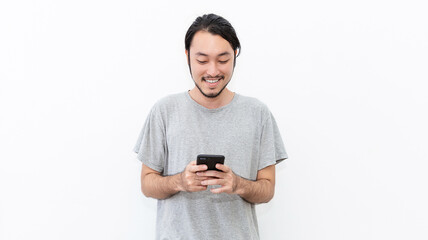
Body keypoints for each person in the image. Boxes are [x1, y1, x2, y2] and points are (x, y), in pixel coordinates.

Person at [133, 13, 288, 240]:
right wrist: (180, 181)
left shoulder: (258, 113)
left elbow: (267, 190)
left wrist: (238, 185)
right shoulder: (164, 111)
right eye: (202, 60)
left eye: (223, 60)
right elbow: (147, 184)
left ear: (235, 55)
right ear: (187, 56)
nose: (213, 71)